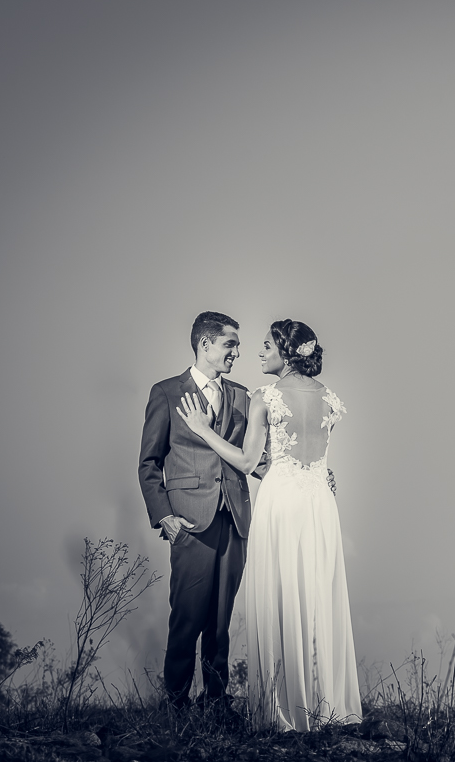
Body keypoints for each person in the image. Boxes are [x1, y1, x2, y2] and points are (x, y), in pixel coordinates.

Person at [176, 319, 360, 731]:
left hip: (282, 502)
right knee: (316, 598)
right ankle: (325, 706)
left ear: (286, 353)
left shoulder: (265, 397)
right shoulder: (330, 398)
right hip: (320, 503)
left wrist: (202, 429)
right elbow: (314, 457)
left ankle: (282, 712)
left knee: (280, 597)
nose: (257, 354)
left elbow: (245, 461)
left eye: (265, 346)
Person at [138, 311, 251, 715]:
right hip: (190, 523)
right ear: (205, 344)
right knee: (187, 617)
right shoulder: (167, 392)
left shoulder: (242, 396)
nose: (237, 352)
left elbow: (256, 458)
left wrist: (309, 469)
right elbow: (148, 463)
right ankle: (175, 704)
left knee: (220, 622)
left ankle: (217, 703)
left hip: (234, 520)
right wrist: (164, 516)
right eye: (230, 344)